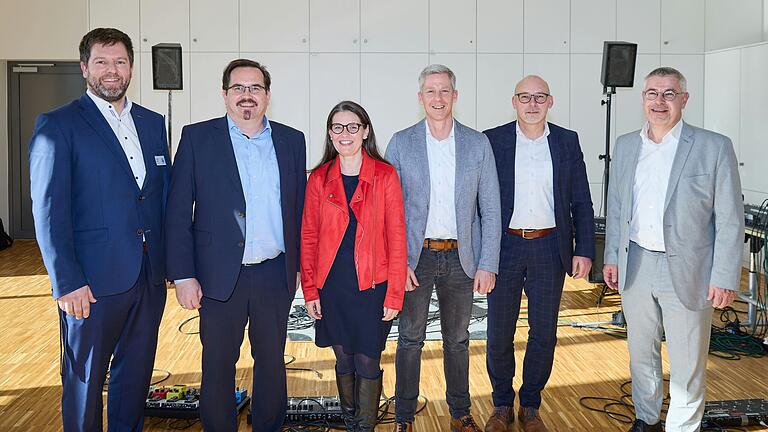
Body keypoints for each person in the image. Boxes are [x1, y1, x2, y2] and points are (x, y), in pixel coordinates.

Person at [29, 28, 170, 431]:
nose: (112, 70)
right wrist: (66, 280)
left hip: (147, 276)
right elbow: (48, 211)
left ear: (131, 67)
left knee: (135, 377)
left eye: (120, 61)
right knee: (85, 381)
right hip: (90, 284)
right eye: (102, 62)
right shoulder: (58, 125)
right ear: (84, 67)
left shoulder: (152, 122)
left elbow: (157, 197)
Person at [165, 59, 307, 431]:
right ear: (225, 94)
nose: (247, 96)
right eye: (239, 88)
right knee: (217, 363)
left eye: (255, 88)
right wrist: (183, 275)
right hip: (216, 276)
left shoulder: (292, 140)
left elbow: (299, 212)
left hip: (275, 273)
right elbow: (178, 211)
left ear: (268, 95)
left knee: (272, 362)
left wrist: (301, 270)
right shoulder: (197, 138)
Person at [603, 67, 743, 432]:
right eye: (652, 93)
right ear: (643, 99)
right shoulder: (626, 145)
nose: (659, 101)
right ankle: (645, 419)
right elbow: (618, 207)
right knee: (640, 354)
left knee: (687, 361)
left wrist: (724, 276)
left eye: (668, 93)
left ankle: (682, 427)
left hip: (689, 269)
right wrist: (613, 256)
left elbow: (730, 218)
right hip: (637, 264)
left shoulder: (714, 146)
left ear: (684, 98)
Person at [385, 64, 501, 432]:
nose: (438, 98)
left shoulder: (477, 143)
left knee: (458, 340)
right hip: (415, 258)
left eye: (444, 90)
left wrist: (488, 263)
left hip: (461, 259)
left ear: (455, 96)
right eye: (431, 91)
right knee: (410, 338)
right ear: (420, 98)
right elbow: (389, 211)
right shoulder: (401, 142)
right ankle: (403, 416)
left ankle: (460, 413)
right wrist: (396, 262)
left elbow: (492, 208)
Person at [482, 75, 595, 432]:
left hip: (550, 246)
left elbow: (581, 200)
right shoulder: (493, 140)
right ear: (513, 102)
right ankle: (501, 404)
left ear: (551, 101)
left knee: (544, 332)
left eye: (539, 97)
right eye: (525, 97)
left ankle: (530, 404)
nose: (532, 104)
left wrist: (585, 249)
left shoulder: (566, 141)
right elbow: (477, 202)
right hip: (505, 246)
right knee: (500, 333)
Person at [300, 100, 407, 431]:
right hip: (333, 287)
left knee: (367, 358)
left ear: (365, 131)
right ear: (330, 134)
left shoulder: (385, 175)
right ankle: (351, 422)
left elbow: (397, 238)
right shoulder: (319, 178)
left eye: (352, 127)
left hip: (372, 286)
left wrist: (395, 295)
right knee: (343, 357)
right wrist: (310, 289)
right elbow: (309, 237)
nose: (344, 134)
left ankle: (364, 426)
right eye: (337, 127)